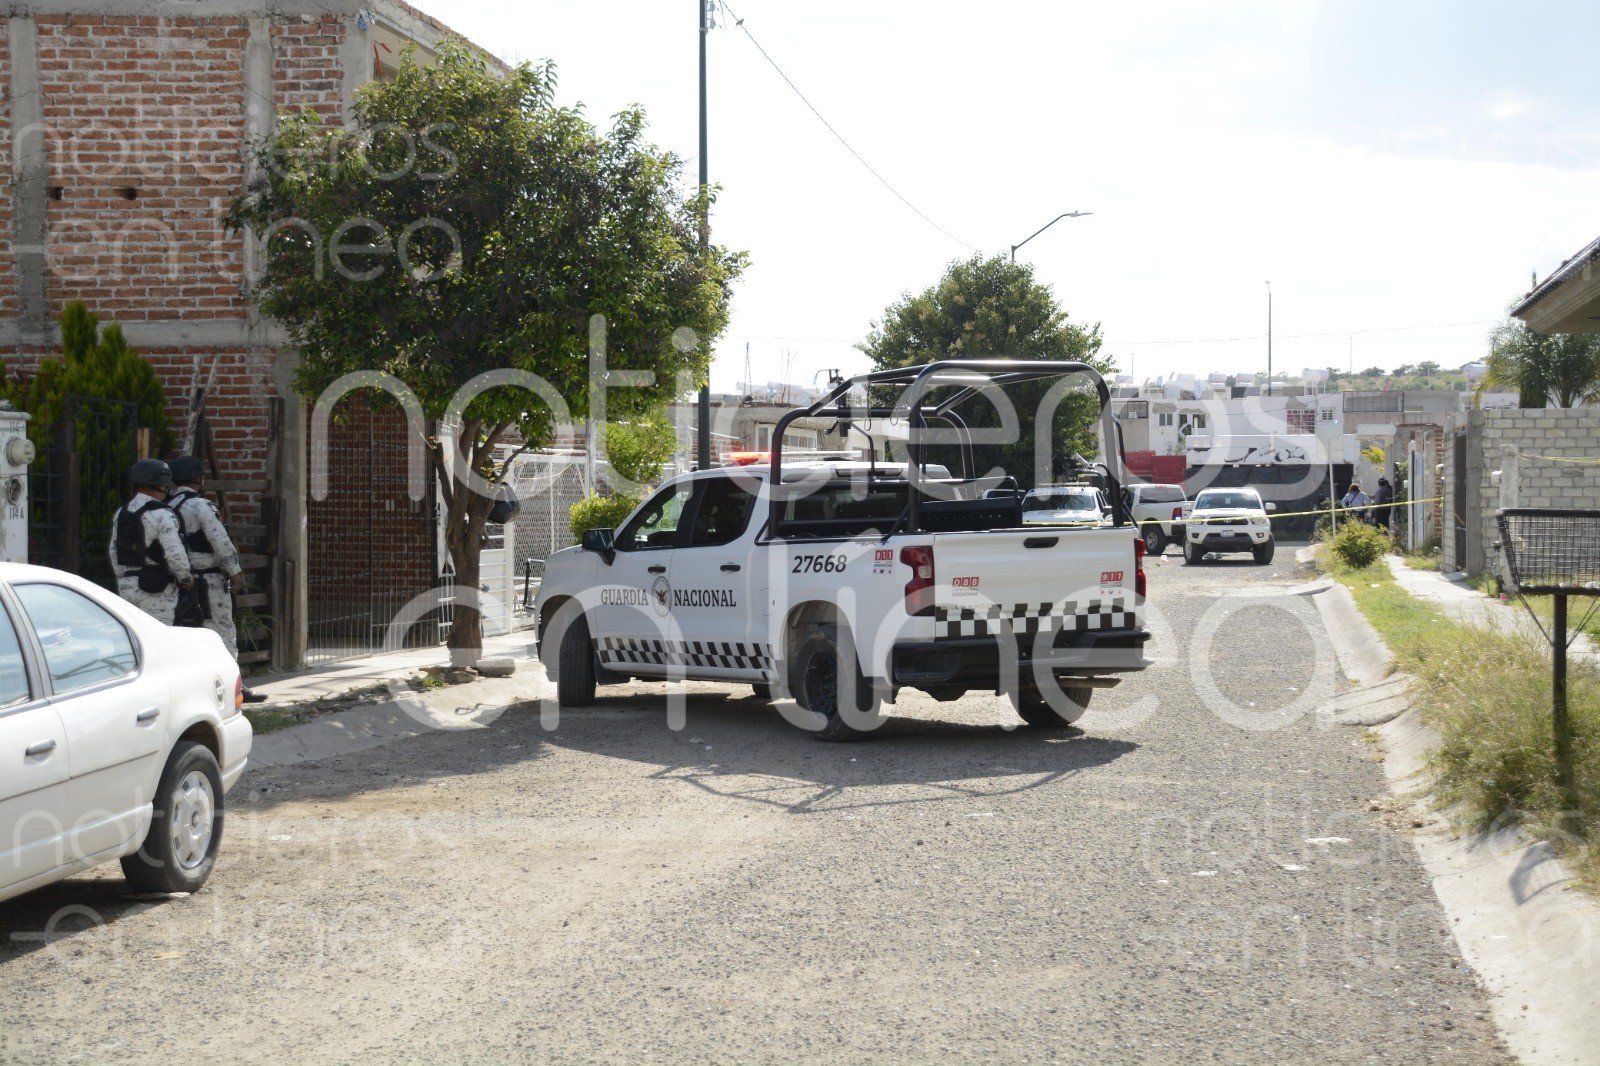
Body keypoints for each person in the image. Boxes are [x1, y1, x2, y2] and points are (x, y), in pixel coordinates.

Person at [167, 455, 268, 703]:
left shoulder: (168, 506)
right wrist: (234, 570)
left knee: (186, 634)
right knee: (223, 632)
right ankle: (235, 690)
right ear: (199, 478)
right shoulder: (201, 506)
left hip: (180, 581)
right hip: (210, 580)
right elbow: (219, 540)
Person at [109, 458, 193, 624]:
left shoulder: (122, 512)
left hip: (127, 587)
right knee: (158, 641)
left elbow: (114, 550)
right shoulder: (162, 514)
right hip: (156, 591)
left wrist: (123, 576)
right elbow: (174, 553)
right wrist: (185, 578)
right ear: (160, 484)